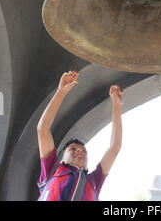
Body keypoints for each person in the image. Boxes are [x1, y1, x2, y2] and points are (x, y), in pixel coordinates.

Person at [36, 70, 123, 201]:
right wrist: (61, 91)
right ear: (62, 158)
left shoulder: (94, 181)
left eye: (84, 151)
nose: (79, 151)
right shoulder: (52, 170)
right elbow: (43, 128)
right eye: (73, 149)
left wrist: (117, 106)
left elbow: (114, 147)